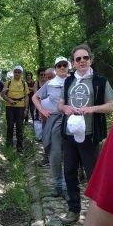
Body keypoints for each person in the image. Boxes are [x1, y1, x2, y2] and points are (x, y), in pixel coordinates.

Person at [58, 44, 113, 224]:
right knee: (69, 172)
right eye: (78, 59)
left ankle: (97, 213)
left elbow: (111, 106)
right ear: (73, 63)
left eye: (85, 58)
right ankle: (73, 209)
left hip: (89, 135)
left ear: (91, 59)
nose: (82, 61)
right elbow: (60, 104)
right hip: (69, 134)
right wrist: (64, 107)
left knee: (94, 175)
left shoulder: (100, 81)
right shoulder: (68, 81)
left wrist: (91, 108)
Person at [32, 57, 69, 198]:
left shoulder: (74, 81)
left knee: (70, 155)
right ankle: (59, 185)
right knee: (55, 154)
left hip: (72, 120)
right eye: (59, 65)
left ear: (68, 66)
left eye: (64, 65)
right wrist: (42, 111)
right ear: (55, 67)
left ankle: (67, 186)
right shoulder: (50, 84)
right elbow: (35, 97)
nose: (61, 67)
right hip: (55, 120)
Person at [2, 65, 29, 153]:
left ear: (21, 73)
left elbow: (27, 96)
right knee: (10, 126)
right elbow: (3, 94)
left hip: (21, 107)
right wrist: (9, 100)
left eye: (19, 72)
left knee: (19, 127)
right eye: (15, 72)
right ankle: (9, 145)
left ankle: (19, 146)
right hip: (10, 107)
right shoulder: (8, 83)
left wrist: (26, 109)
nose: (17, 73)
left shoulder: (24, 84)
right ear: (13, 73)